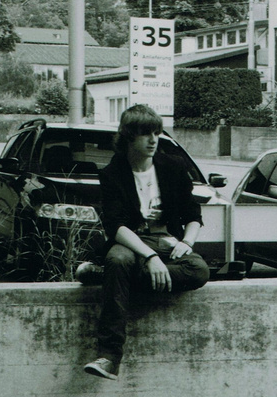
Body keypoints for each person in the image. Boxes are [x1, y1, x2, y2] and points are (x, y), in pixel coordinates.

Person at [83, 104, 210, 380]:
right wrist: (151, 259)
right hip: (131, 241)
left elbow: (193, 214)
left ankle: (111, 277)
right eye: (145, 134)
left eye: (156, 132)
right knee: (118, 260)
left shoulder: (173, 167)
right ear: (128, 136)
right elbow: (116, 226)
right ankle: (109, 356)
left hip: (166, 239)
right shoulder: (112, 173)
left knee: (199, 270)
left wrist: (186, 242)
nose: (154, 140)